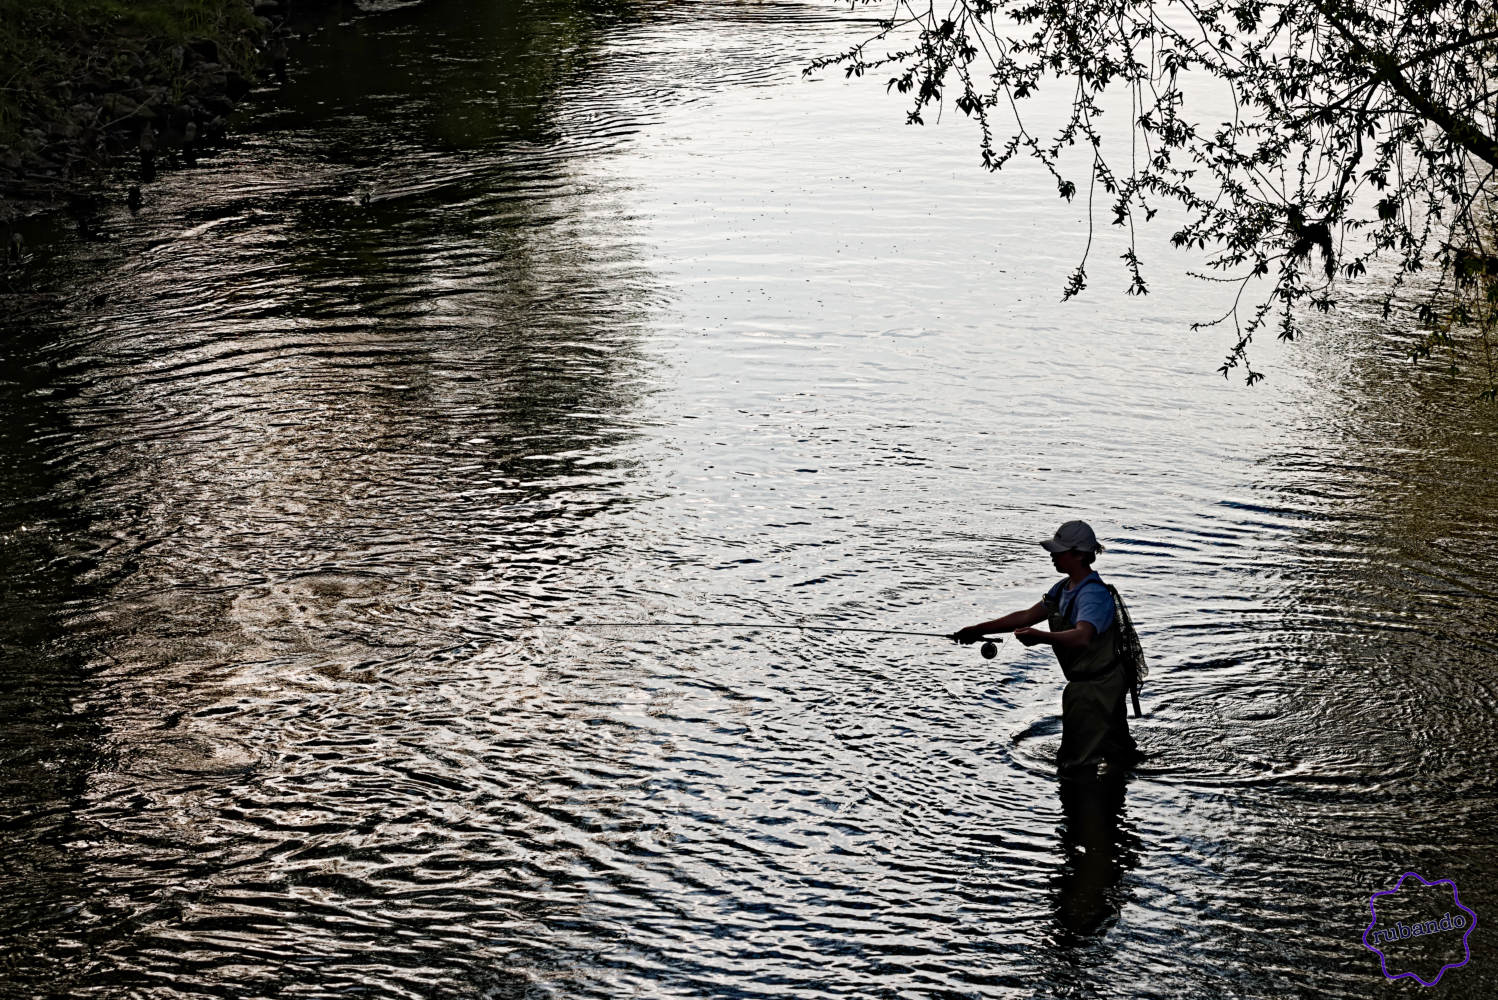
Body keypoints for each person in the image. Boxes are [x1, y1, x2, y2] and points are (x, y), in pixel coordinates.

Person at [954, 520, 1140, 775]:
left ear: (1078, 554)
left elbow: (1083, 636)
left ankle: (1083, 806)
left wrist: (1040, 637)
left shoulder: (1092, 595)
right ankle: (1114, 801)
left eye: (1058, 551)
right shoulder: (1063, 589)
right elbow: (1025, 617)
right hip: (1099, 683)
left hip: (1095, 689)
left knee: (1074, 767)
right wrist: (978, 629)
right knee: (1119, 756)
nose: (1052, 555)